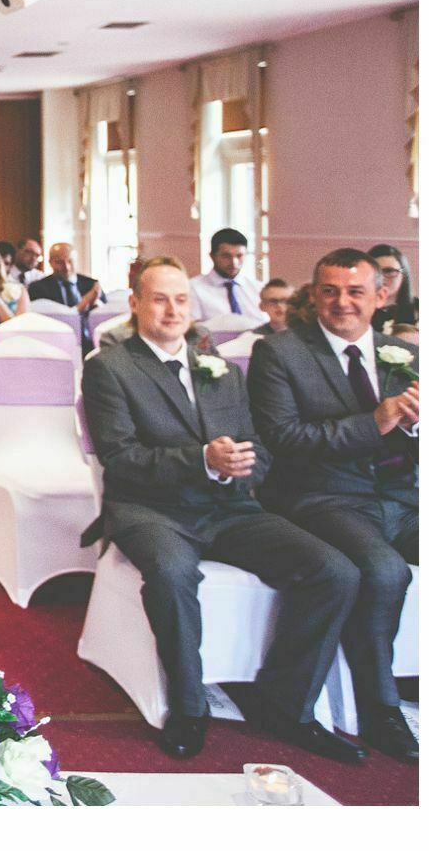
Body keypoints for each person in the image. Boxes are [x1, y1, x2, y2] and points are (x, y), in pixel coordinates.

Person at [80, 261, 361, 764]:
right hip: (151, 509)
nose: (172, 310)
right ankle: (189, 708)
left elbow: (262, 449)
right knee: (171, 571)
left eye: (181, 300)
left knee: (335, 571)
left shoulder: (223, 371)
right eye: (160, 299)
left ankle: (286, 704)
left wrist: (239, 469)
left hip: (229, 507)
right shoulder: (110, 367)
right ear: (137, 305)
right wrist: (202, 461)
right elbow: (120, 459)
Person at [248, 248, 419, 763]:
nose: (342, 302)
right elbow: (284, 438)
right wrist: (377, 421)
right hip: (322, 495)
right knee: (386, 572)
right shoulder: (280, 353)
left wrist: (413, 424)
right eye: (330, 291)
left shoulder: (401, 353)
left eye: (355, 291)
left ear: (381, 296)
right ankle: (380, 708)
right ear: (315, 295)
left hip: (402, 495)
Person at [29, 242, 105, 346]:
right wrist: (83, 304)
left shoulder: (91, 285)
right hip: (56, 342)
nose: (66, 267)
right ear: (50, 263)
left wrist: (96, 304)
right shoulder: (38, 288)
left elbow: (103, 316)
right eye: (59, 262)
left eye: (70, 261)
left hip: (90, 342)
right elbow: (51, 321)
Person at [190, 227, 263, 321]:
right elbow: (193, 330)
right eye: (226, 256)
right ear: (212, 256)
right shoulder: (194, 288)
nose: (234, 263)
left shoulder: (258, 288)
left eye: (239, 256)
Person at [369, 244, 418, 335]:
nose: (381, 278)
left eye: (389, 271)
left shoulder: (418, 310)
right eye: (375, 271)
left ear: (403, 275)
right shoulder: (356, 308)